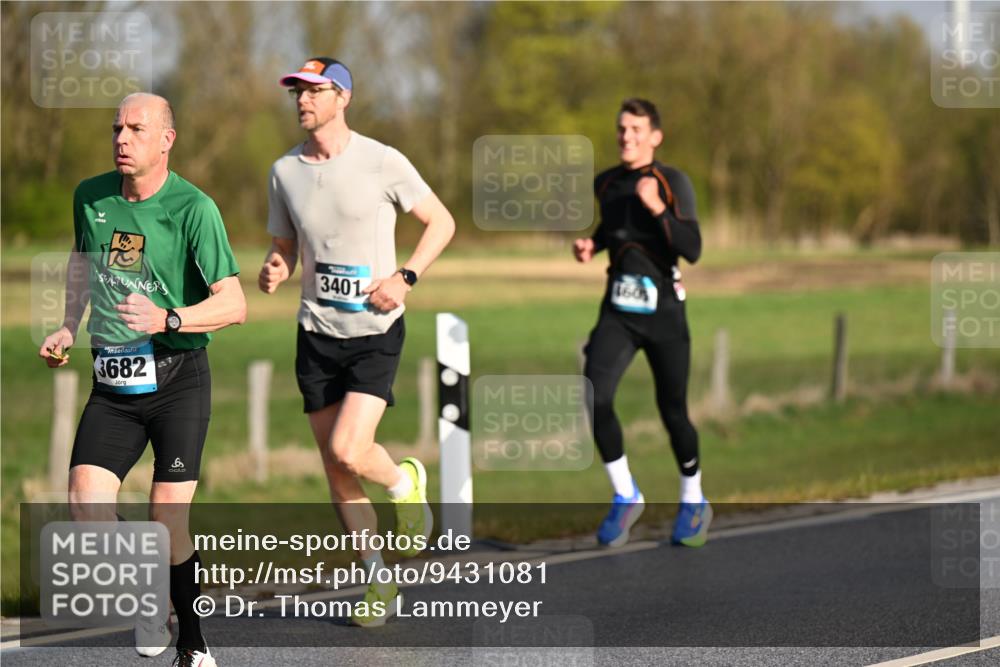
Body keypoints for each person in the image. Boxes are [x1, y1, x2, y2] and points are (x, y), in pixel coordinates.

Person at [38, 93, 246, 667]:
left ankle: (194, 644)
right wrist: (65, 325)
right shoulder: (91, 196)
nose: (122, 139)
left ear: (166, 140)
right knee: (86, 509)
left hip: (180, 380)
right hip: (114, 384)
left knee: (167, 518)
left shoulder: (194, 209)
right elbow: (83, 263)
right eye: (116, 128)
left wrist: (168, 318)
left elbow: (234, 304)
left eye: (136, 128)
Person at [259, 58, 455, 626]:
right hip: (315, 334)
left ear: (342, 97)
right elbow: (286, 246)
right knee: (337, 470)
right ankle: (377, 579)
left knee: (349, 448)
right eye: (297, 91)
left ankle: (403, 480)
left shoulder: (382, 160)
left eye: (314, 91)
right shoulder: (284, 171)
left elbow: (440, 222)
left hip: (374, 330)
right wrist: (276, 266)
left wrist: (406, 277)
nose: (302, 100)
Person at [573, 98, 711, 548]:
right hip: (618, 309)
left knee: (673, 411)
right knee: (594, 394)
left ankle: (693, 498)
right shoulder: (607, 183)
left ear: (655, 136)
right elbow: (615, 228)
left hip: (665, 312)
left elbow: (692, 247)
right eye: (621, 129)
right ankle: (625, 493)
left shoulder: (671, 182)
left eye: (635, 129)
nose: (626, 136)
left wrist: (657, 209)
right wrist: (592, 244)